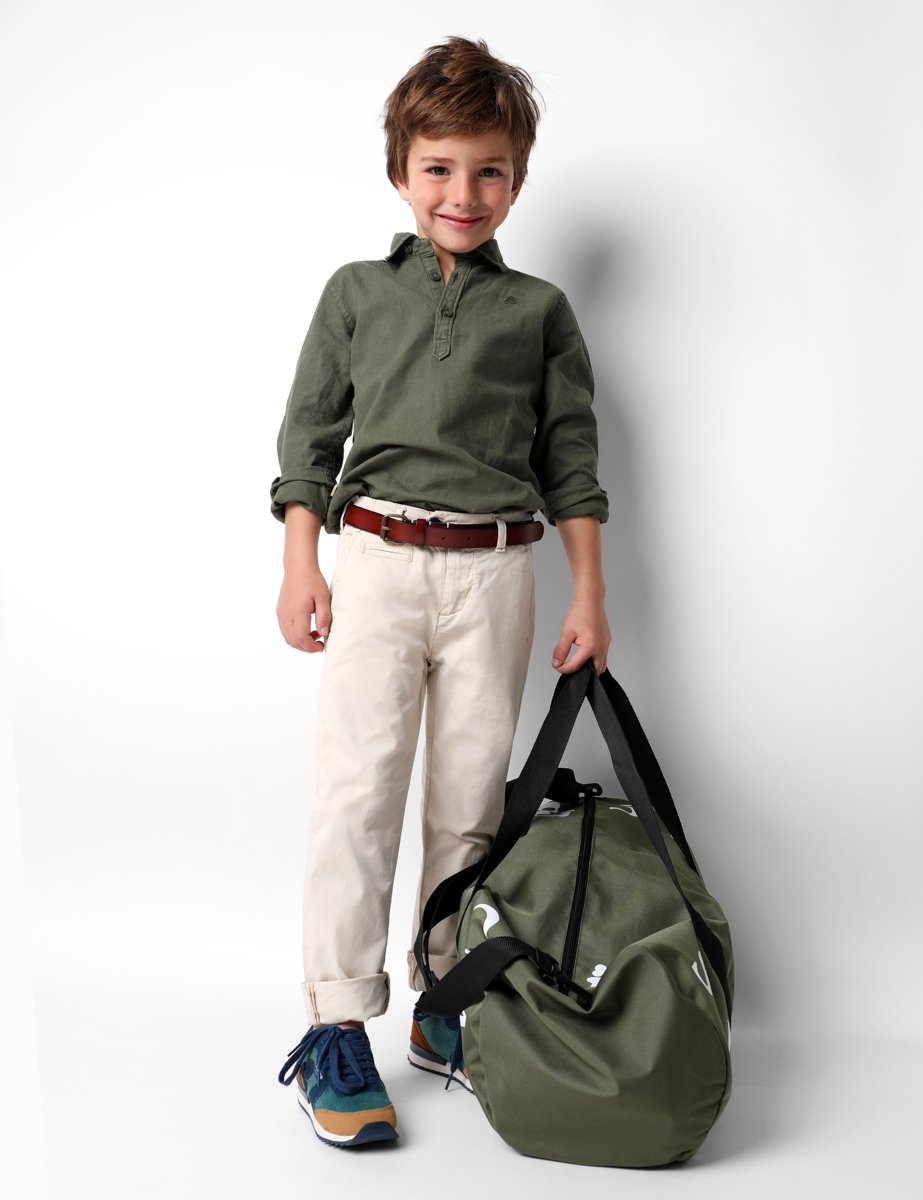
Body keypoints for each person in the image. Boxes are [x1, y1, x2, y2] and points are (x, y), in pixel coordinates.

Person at [271, 35, 611, 1149]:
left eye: (489, 171)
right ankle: (335, 1023)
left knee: (469, 802)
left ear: (518, 178)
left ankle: (444, 1002)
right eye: (439, 168)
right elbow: (310, 438)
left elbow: (571, 460)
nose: (463, 193)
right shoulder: (358, 294)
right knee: (358, 793)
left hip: (498, 573)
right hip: (376, 564)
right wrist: (303, 563)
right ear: (400, 171)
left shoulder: (541, 311)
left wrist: (588, 595)